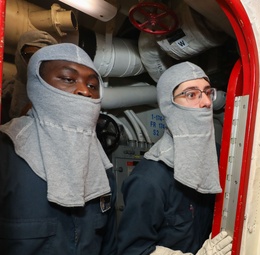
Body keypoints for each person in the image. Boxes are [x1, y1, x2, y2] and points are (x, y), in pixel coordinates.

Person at [0, 43, 117, 254]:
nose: (84, 91)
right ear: (38, 85)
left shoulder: (102, 168)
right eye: (68, 79)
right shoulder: (6, 154)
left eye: (92, 85)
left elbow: (108, 245)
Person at [117, 61, 232, 255]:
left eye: (207, 92)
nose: (205, 102)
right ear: (168, 105)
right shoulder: (149, 179)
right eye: (191, 94)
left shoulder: (216, 158)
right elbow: (133, 251)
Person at [1, 30, 58, 123]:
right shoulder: (4, 98)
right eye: (31, 56)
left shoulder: (60, 105)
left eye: (45, 61)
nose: (36, 64)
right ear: (19, 57)